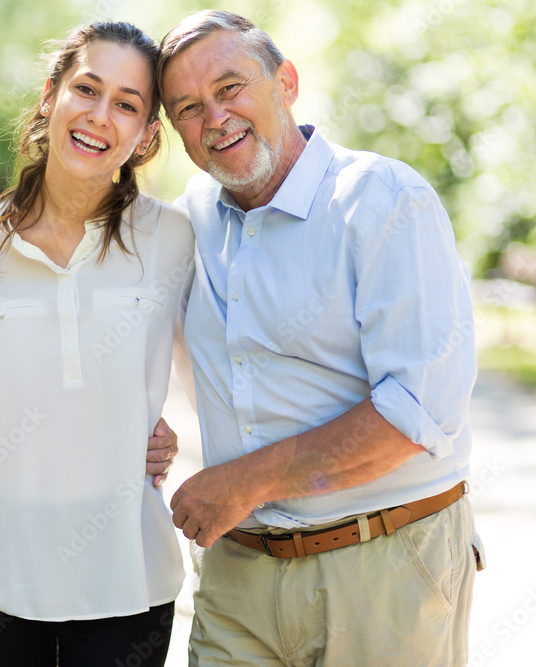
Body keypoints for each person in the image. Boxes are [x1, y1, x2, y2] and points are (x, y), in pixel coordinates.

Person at [158, 9, 483, 665]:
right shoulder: (188, 220)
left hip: (385, 568)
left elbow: (415, 411)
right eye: (187, 107)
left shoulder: (382, 199)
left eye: (230, 88)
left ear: (287, 82)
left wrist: (243, 481)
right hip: (237, 577)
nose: (214, 118)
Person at [0, 22, 193, 667]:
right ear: (51, 95)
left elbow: (226, 369)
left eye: (128, 104)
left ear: (146, 135)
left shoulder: (173, 240)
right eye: (87, 88)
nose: (100, 116)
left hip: (127, 579)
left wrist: (162, 432)